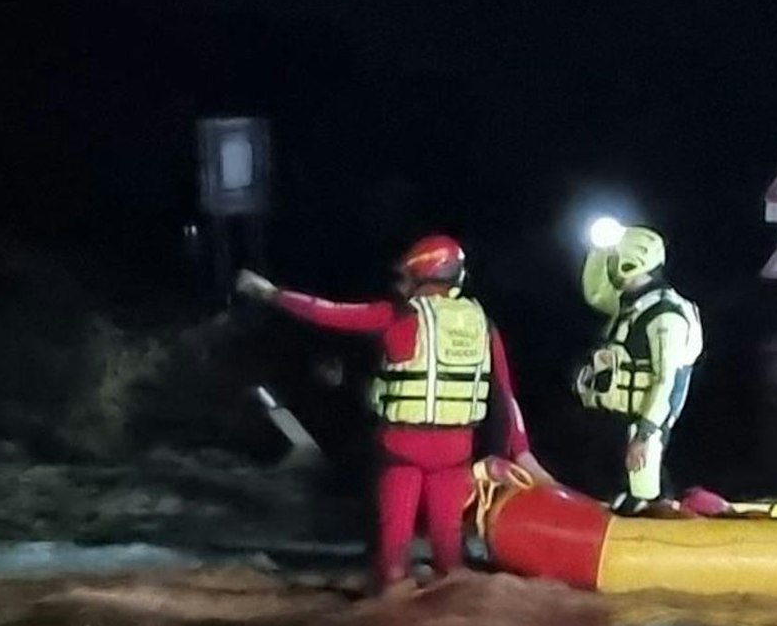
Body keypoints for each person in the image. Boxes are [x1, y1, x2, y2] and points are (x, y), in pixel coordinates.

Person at [235, 235, 553, 594]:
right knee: (449, 551)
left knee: (393, 553)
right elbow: (504, 394)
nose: (400, 284)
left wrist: (271, 294)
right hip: (455, 452)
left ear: (419, 275)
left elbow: (328, 312)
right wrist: (522, 453)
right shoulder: (483, 324)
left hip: (402, 448)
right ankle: (456, 606)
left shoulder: (398, 316)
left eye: (404, 277)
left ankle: (393, 604)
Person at [573, 225, 703, 515]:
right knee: (613, 494)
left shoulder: (666, 314)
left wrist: (644, 435)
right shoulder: (632, 304)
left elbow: (665, 380)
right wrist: (597, 252)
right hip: (614, 422)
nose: (609, 265)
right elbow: (595, 293)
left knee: (643, 498)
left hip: (642, 425)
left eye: (613, 258)